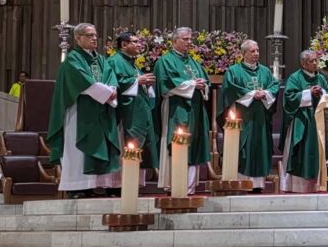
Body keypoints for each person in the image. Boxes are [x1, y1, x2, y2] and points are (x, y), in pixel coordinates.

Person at [44, 23, 121, 198]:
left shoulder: (101, 59)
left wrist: (112, 89)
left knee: (99, 145)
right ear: (78, 38)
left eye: (95, 35)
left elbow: (110, 76)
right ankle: (76, 187)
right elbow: (82, 81)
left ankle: (95, 185)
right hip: (79, 112)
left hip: (100, 109)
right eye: (89, 35)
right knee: (77, 150)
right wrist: (107, 93)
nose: (94, 38)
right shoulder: (72, 59)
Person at [153, 27, 211, 194]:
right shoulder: (165, 61)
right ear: (174, 41)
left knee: (194, 144)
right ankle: (174, 184)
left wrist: (203, 85)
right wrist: (193, 84)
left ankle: (189, 186)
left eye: (190, 39)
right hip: (176, 107)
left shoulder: (193, 62)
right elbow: (166, 83)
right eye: (185, 39)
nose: (189, 42)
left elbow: (205, 81)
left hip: (195, 108)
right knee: (176, 141)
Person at [218, 40, 279, 192]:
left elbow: (274, 86)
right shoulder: (234, 71)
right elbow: (229, 89)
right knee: (243, 147)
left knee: (259, 147)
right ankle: (241, 182)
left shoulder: (265, 71)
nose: (256, 53)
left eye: (257, 50)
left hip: (260, 118)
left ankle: (258, 184)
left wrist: (265, 93)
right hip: (242, 117)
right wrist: (252, 94)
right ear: (243, 53)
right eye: (252, 51)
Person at [109, 32, 160, 191]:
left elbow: (136, 83)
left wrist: (146, 84)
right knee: (126, 144)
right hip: (126, 112)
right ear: (124, 44)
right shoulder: (114, 61)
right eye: (135, 42)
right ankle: (118, 184)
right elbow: (114, 84)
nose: (140, 45)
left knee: (139, 144)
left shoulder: (133, 63)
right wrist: (137, 81)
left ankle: (132, 183)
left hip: (139, 110)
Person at [280, 50, 328, 193]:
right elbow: (289, 98)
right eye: (311, 61)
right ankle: (298, 185)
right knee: (301, 152)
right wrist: (308, 93)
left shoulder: (321, 78)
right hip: (302, 120)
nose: (315, 63)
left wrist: (322, 92)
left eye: (316, 60)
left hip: (318, 120)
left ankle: (318, 184)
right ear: (303, 63)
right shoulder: (295, 78)